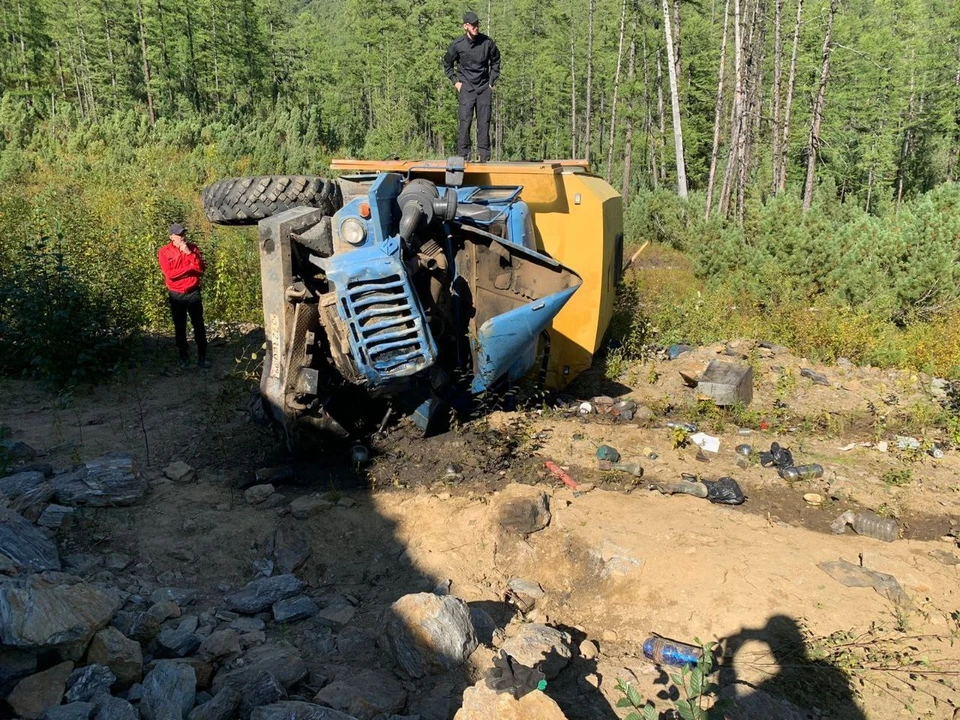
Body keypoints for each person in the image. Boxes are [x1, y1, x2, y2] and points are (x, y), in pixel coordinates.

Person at [443, 11, 501, 162]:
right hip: (466, 88)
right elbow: (447, 64)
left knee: (484, 124)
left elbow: (496, 61)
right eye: (473, 25)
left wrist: (491, 82)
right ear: (465, 26)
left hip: (483, 88)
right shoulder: (457, 45)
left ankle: (484, 158)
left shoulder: (487, 43)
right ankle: (463, 157)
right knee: (465, 122)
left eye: (477, 24)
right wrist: (456, 82)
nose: (476, 27)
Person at [158, 223, 210, 369]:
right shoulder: (164, 252)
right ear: (171, 237)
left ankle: (202, 358)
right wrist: (189, 267)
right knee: (180, 326)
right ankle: (183, 358)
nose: (182, 237)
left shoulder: (192, 248)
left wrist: (188, 253)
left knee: (199, 325)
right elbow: (170, 275)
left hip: (193, 292)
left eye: (183, 234)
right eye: (178, 235)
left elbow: (200, 268)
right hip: (176, 295)